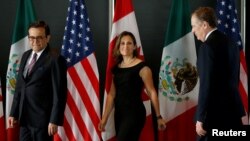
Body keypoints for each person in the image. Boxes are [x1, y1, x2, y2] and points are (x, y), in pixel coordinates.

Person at [98, 31, 166, 141]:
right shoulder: (116, 69)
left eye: (129, 43)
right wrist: (104, 119)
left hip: (134, 113)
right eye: (122, 43)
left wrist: (159, 117)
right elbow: (111, 95)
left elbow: (152, 92)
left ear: (134, 46)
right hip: (119, 114)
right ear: (118, 46)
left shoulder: (143, 68)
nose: (125, 46)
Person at [191, 7, 245, 140]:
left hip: (213, 117)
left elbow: (206, 85)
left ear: (205, 24)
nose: (192, 30)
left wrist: (201, 117)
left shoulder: (207, 47)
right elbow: (234, 78)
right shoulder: (231, 43)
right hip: (233, 113)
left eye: (193, 26)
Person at [8, 20, 67, 141]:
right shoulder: (25, 55)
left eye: (39, 38)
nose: (35, 42)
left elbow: (59, 93)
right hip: (24, 120)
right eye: (31, 38)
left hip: (43, 122)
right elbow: (19, 87)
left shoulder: (55, 58)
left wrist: (54, 120)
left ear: (47, 38)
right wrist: (13, 113)